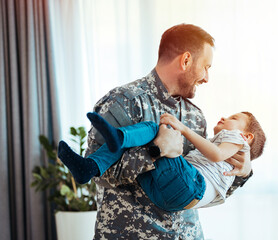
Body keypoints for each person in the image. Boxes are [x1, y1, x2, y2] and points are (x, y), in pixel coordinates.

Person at [84, 23, 253, 239]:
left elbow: (202, 187)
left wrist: (242, 172)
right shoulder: (123, 103)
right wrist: (154, 152)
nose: (206, 78)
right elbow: (96, 171)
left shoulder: (196, 116)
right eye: (206, 67)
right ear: (185, 60)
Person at [58, 111, 266, 211]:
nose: (224, 116)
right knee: (144, 141)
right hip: (169, 200)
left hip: (190, 186)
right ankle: (90, 166)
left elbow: (216, 155)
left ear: (246, 136)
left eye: (233, 117)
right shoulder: (218, 146)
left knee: (154, 128)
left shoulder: (236, 140)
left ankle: (116, 138)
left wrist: (182, 128)